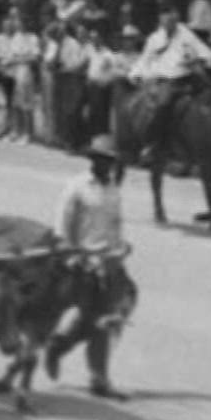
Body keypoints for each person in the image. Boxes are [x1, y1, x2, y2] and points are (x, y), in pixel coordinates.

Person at [43, 134, 137, 401]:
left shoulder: (113, 189)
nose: (106, 165)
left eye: (110, 161)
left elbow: (115, 224)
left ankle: (61, 347)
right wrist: (73, 256)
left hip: (110, 262)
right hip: (84, 263)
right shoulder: (77, 187)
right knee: (99, 319)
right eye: (101, 160)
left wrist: (121, 248)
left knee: (106, 315)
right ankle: (97, 377)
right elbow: (62, 227)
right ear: (92, 160)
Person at [128, 6, 211, 151]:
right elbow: (145, 59)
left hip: (189, 77)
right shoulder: (154, 39)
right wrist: (135, 74)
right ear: (161, 22)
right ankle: (154, 142)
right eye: (166, 22)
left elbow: (206, 53)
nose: (170, 25)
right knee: (163, 104)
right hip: (166, 80)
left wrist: (197, 60)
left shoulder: (187, 35)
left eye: (172, 21)